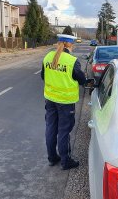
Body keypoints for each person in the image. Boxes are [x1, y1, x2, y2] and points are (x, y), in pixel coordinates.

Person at [41, 34, 86, 170]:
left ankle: (52, 158)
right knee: (64, 131)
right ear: (70, 45)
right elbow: (82, 80)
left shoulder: (48, 57)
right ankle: (65, 161)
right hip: (66, 103)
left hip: (50, 100)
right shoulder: (72, 61)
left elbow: (43, 76)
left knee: (50, 128)